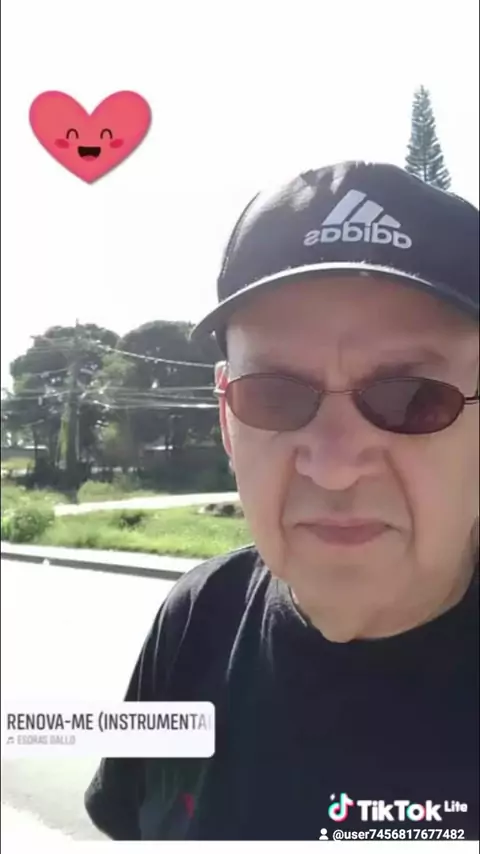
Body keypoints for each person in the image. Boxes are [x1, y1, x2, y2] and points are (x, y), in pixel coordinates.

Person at [85, 161, 479, 841]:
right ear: (226, 419)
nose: (333, 467)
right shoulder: (195, 618)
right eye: (273, 395)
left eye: (412, 399)